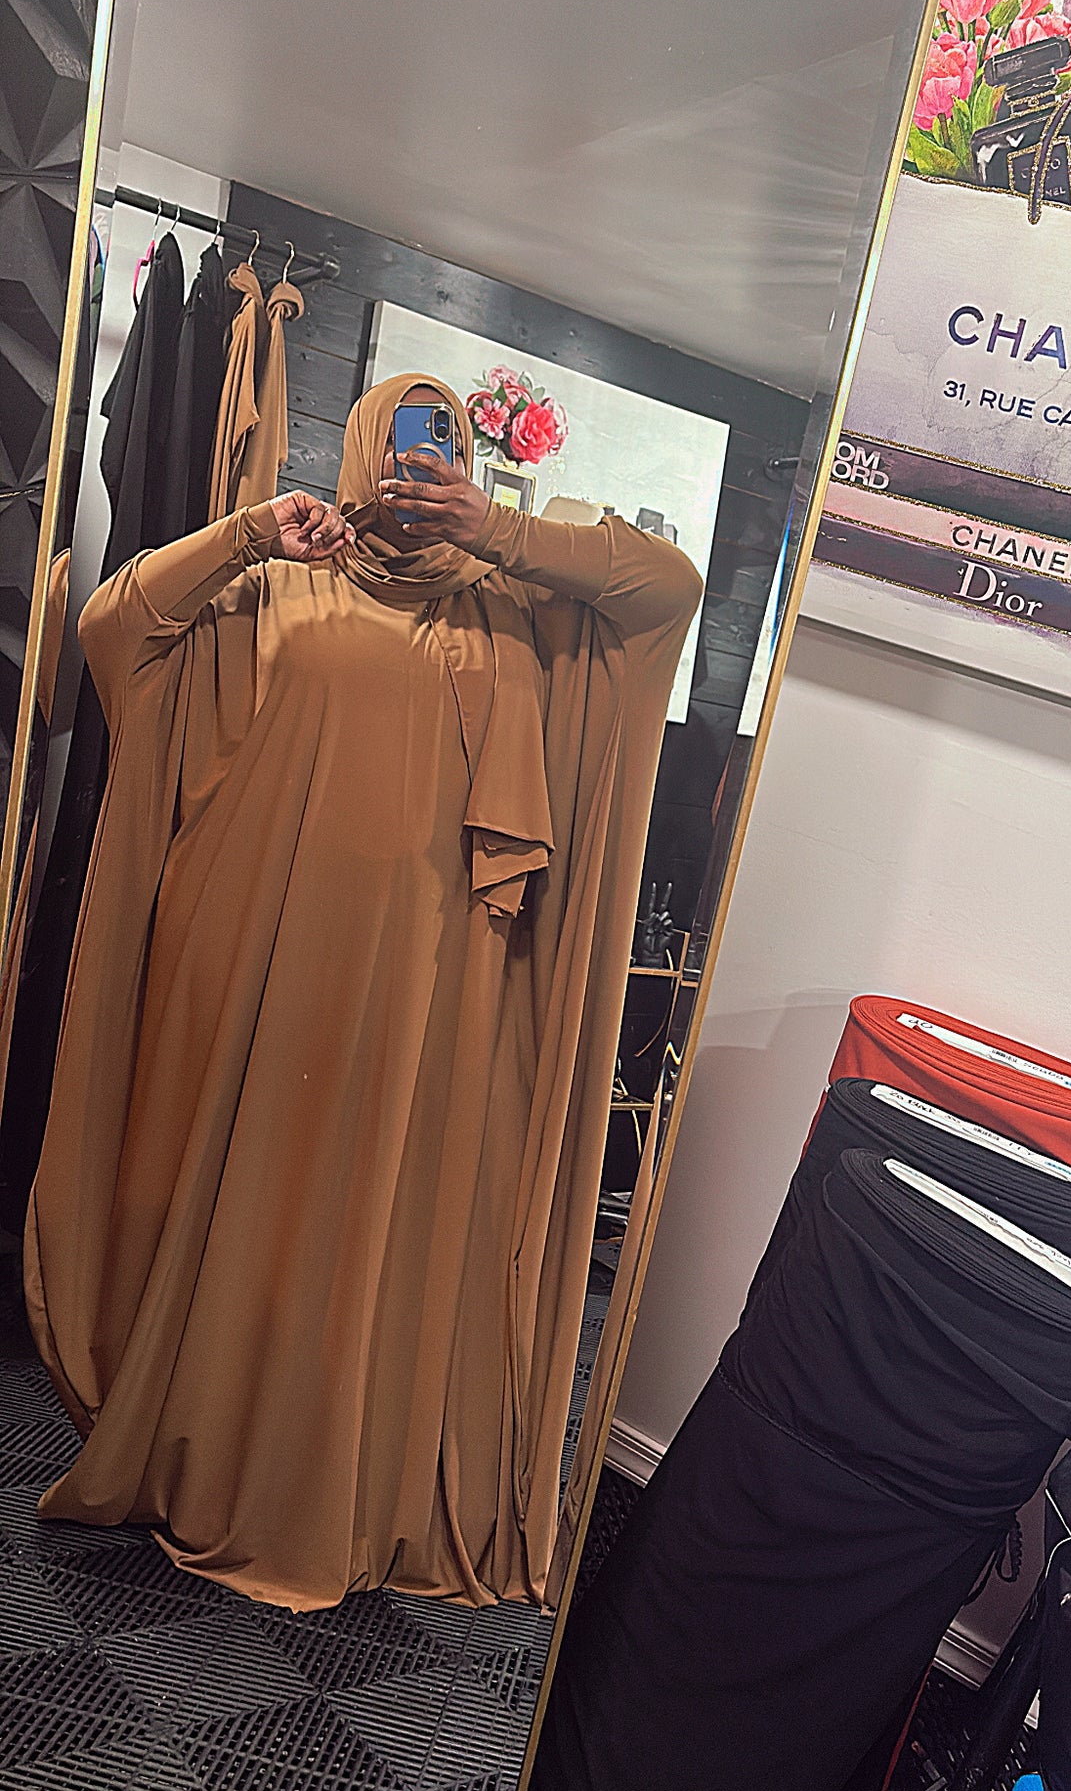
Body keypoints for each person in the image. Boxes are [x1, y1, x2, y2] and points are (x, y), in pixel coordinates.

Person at [26, 373, 701, 1612]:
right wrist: (249, 531)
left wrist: (498, 528)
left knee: (381, 1223)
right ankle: (200, 1456)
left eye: (441, 446)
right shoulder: (281, 584)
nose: (416, 465)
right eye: (398, 440)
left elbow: (670, 588)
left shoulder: (518, 610)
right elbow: (116, 626)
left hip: (430, 999)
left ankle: (341, 1487)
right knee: (245, 1203)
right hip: (259, 970)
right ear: (358, 449)